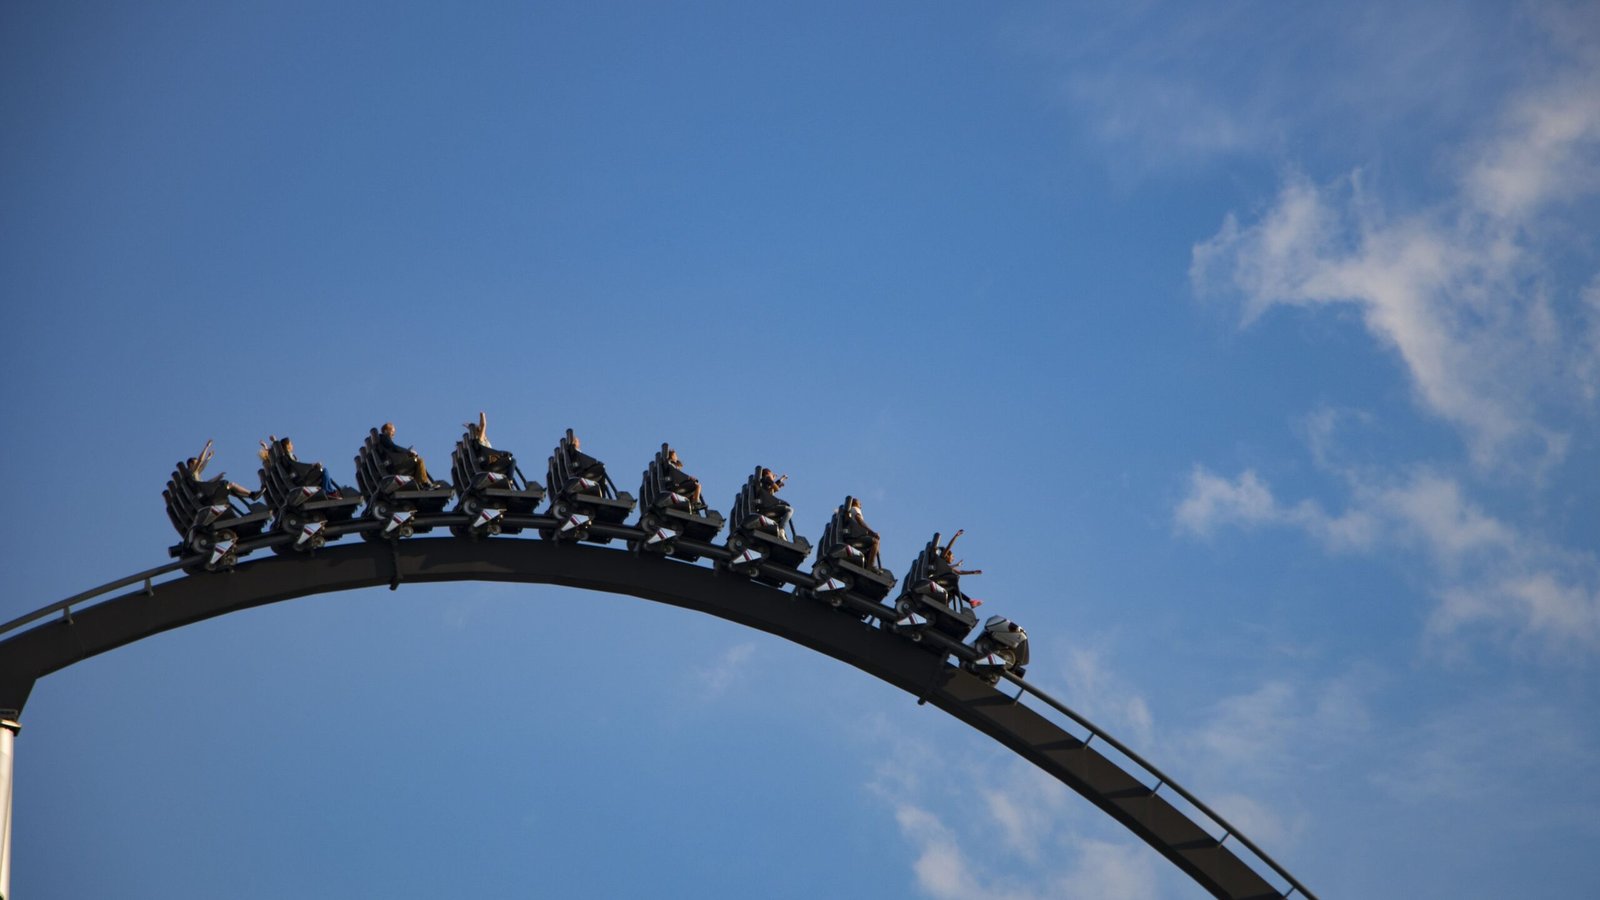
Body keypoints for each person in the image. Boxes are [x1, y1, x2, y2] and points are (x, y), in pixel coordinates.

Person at [260, 436, 344, 498]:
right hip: (301, 481)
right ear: (287, 445)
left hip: (296, 481)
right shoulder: (288, 457)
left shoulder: (283, 459)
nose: (292, 445)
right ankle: (329, 492)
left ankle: (329, 492)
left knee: (321, 475)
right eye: (291, 444)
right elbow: (299, 467)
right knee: (324, 471)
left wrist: (267, 448)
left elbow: (274, 454)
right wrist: (313, 465)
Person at [188, 439, 256, 501]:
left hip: (207, 494)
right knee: (231, 485)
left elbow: (207, 483)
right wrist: (207, 446)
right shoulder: (192, 472)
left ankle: (250, 495)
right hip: (209, 495)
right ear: (191, 464)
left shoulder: (195, 475)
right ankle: (252, 494)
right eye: (196, 463)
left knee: (228, 489)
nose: (198, 465)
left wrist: (217, 476)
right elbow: (200, 460)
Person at [377, 422, 441, 487]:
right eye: (392, 432)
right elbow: (394, 448)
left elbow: (394, 450)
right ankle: (424, 483)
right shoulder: (384, 438)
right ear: (385, 431)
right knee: (419, 460)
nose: (393, 434)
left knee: (415, 462)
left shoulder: (382, 442)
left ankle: (421, 484)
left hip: (393, 467)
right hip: (396, 468)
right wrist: (409, 452)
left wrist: (406, 454)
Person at [844, 497, 881, 569]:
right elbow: (860, 521)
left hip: (853, 538)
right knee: (875, 542)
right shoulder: (855, 509)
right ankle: (870, 566)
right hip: (855, 538)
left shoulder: (851, 511)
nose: (861, 503)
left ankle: (866, 563)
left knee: (872, 543)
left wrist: (870, 533)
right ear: (854, 503)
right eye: (859, 502)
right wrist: (872, 532)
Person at [754, 467, 792, 537]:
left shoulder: (763, 484)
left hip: (764, 510)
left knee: (779, 520)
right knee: (789, 509)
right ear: (768, 473)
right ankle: (781, 529)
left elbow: (771, 490)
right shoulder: (767, 478)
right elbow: (776, 488)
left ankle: (780, 533)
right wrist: (774, 480)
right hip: (767, 509)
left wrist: (781, 480)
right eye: (772, 474)